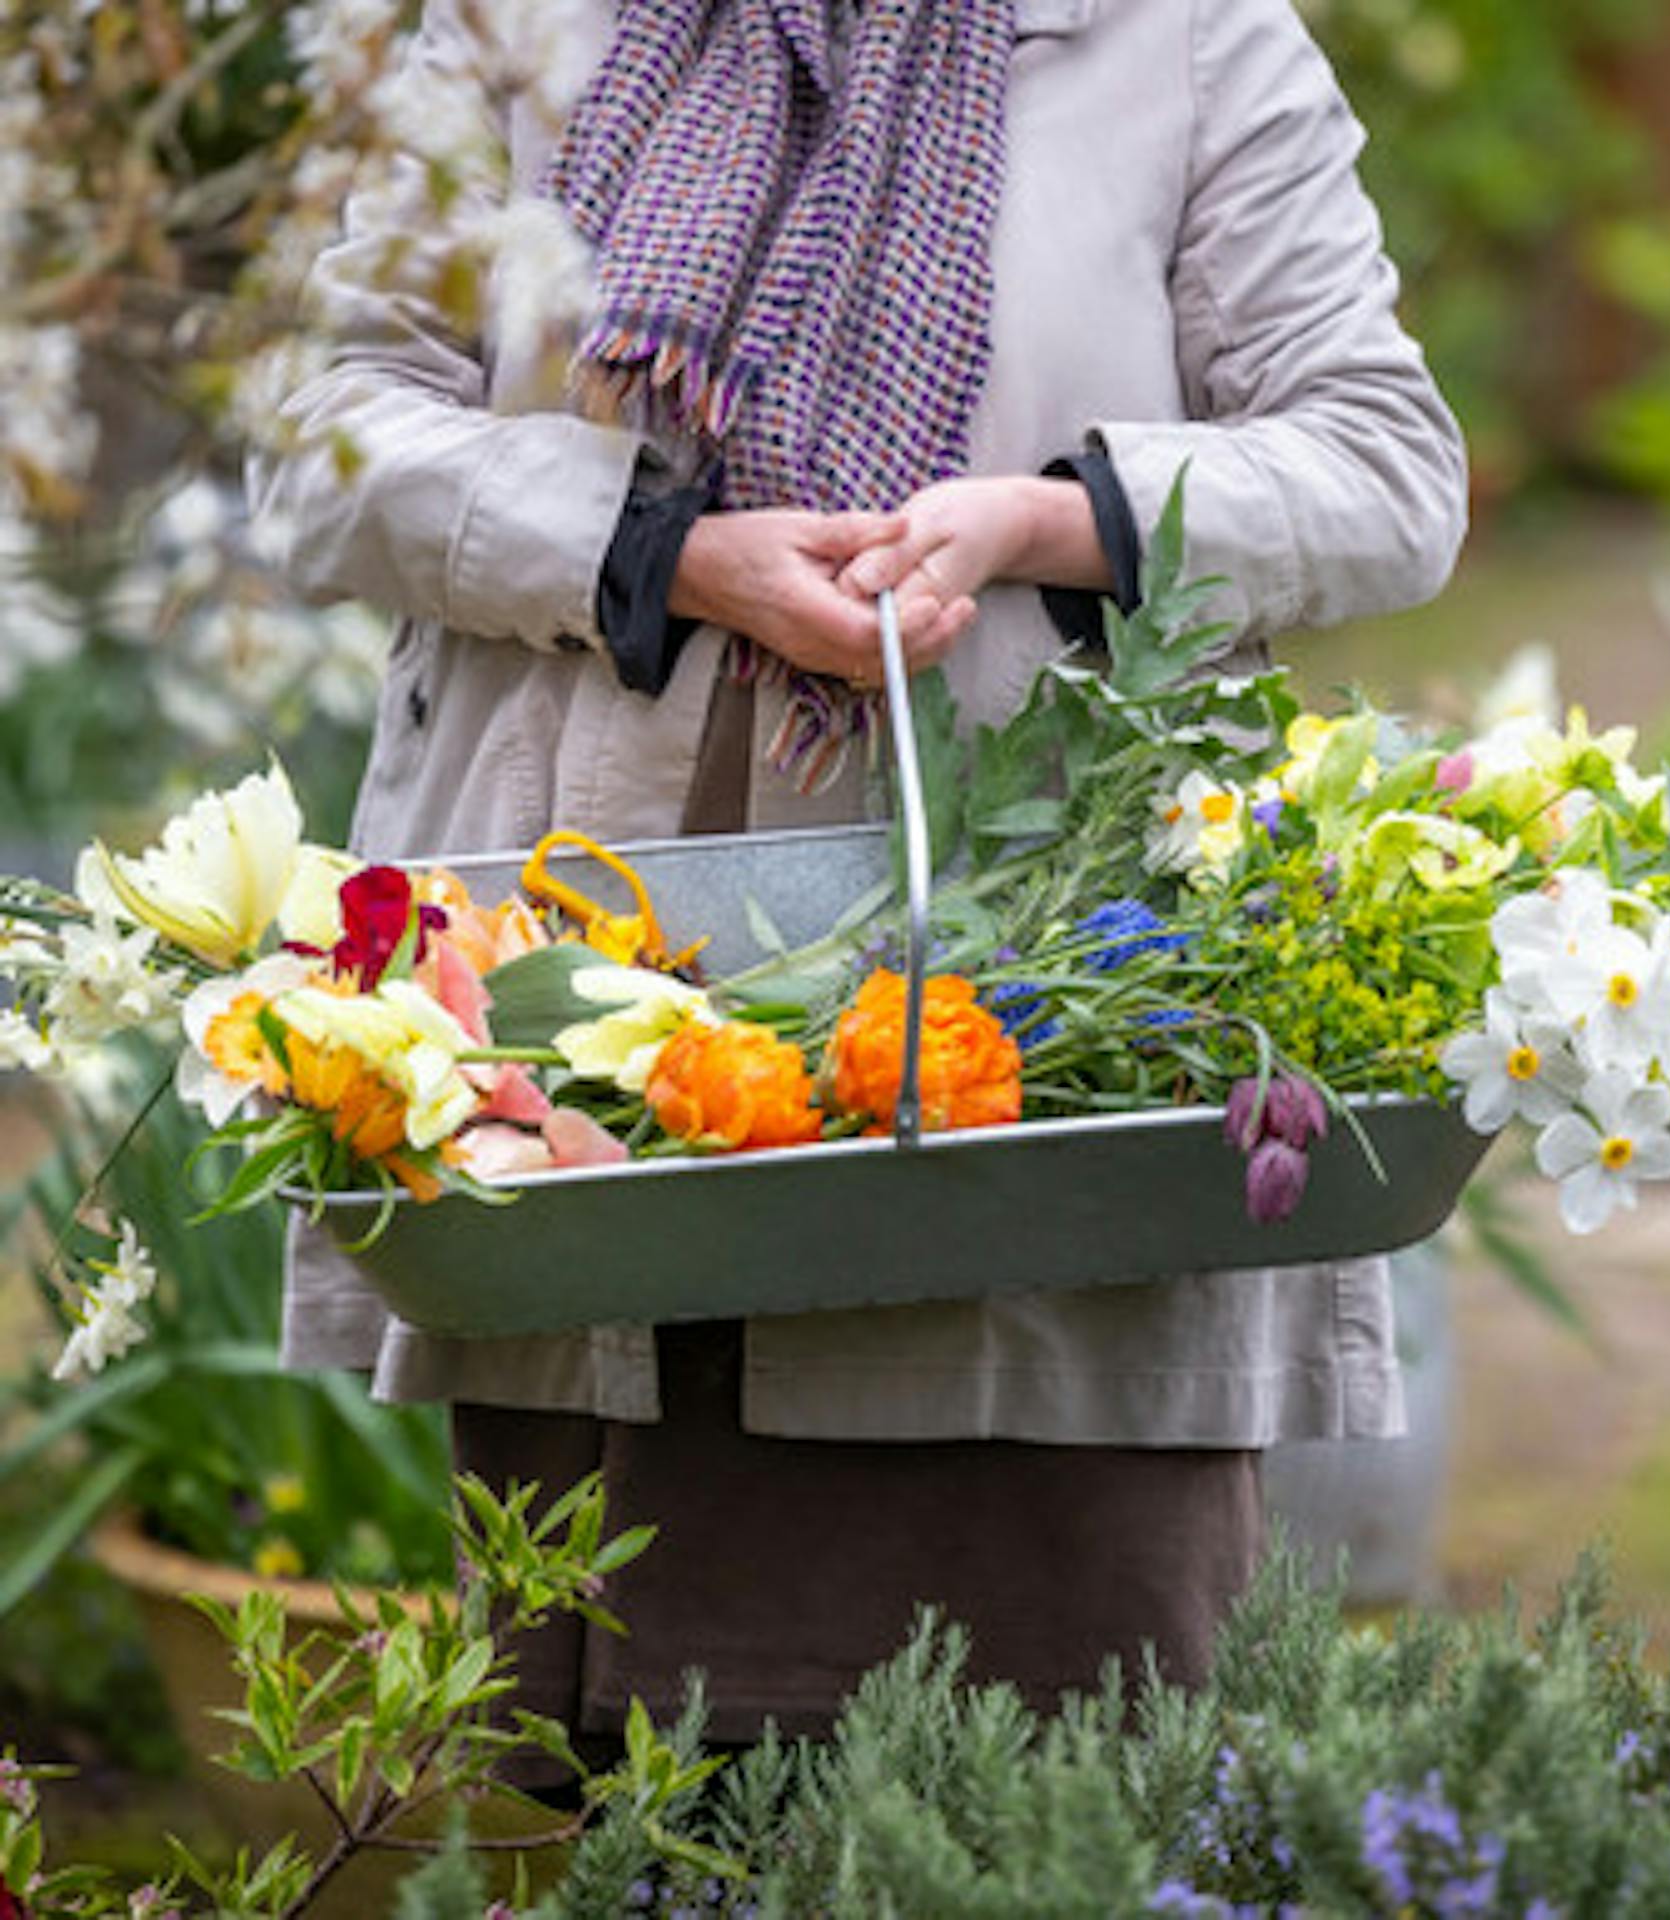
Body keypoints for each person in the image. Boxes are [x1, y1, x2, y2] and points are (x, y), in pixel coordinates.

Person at [252, 0, 1468, 1765]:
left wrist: (1056, 522)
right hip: (601, 1057)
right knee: (636, 1791)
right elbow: (314, 431)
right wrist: (657, 552)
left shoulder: (1185, 35)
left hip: (1037, 1031)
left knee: (1052, 1765)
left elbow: (1387, 463)